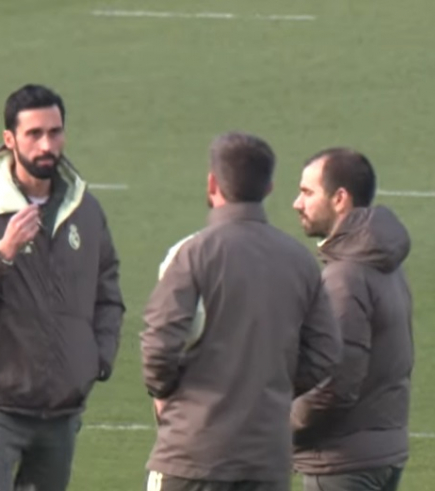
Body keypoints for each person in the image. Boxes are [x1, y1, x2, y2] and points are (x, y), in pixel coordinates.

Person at [0, 84, 125, 491]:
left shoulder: (84, 210)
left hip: (60, 409)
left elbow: (107, 293)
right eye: (34, 134)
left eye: (55, 132)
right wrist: (1, 253)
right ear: (9, 139)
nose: (47, 145)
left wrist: (96, 359)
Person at [140, 131, 342, 491]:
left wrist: (170, 393)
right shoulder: (300, 261)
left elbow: (158, 346)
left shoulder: (193, 254)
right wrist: (271, 387)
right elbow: (325, 352)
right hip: (265, 460)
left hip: (191, 457)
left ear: (212, 183)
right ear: (268, 188)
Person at [291, 148, 413, 491]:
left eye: (307, 192)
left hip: (342, 462)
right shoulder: (385, 263)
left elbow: (335, 383)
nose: (297, 204)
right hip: (382, 451)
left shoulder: (344, 278)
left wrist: (278, 426)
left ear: (340, 198)